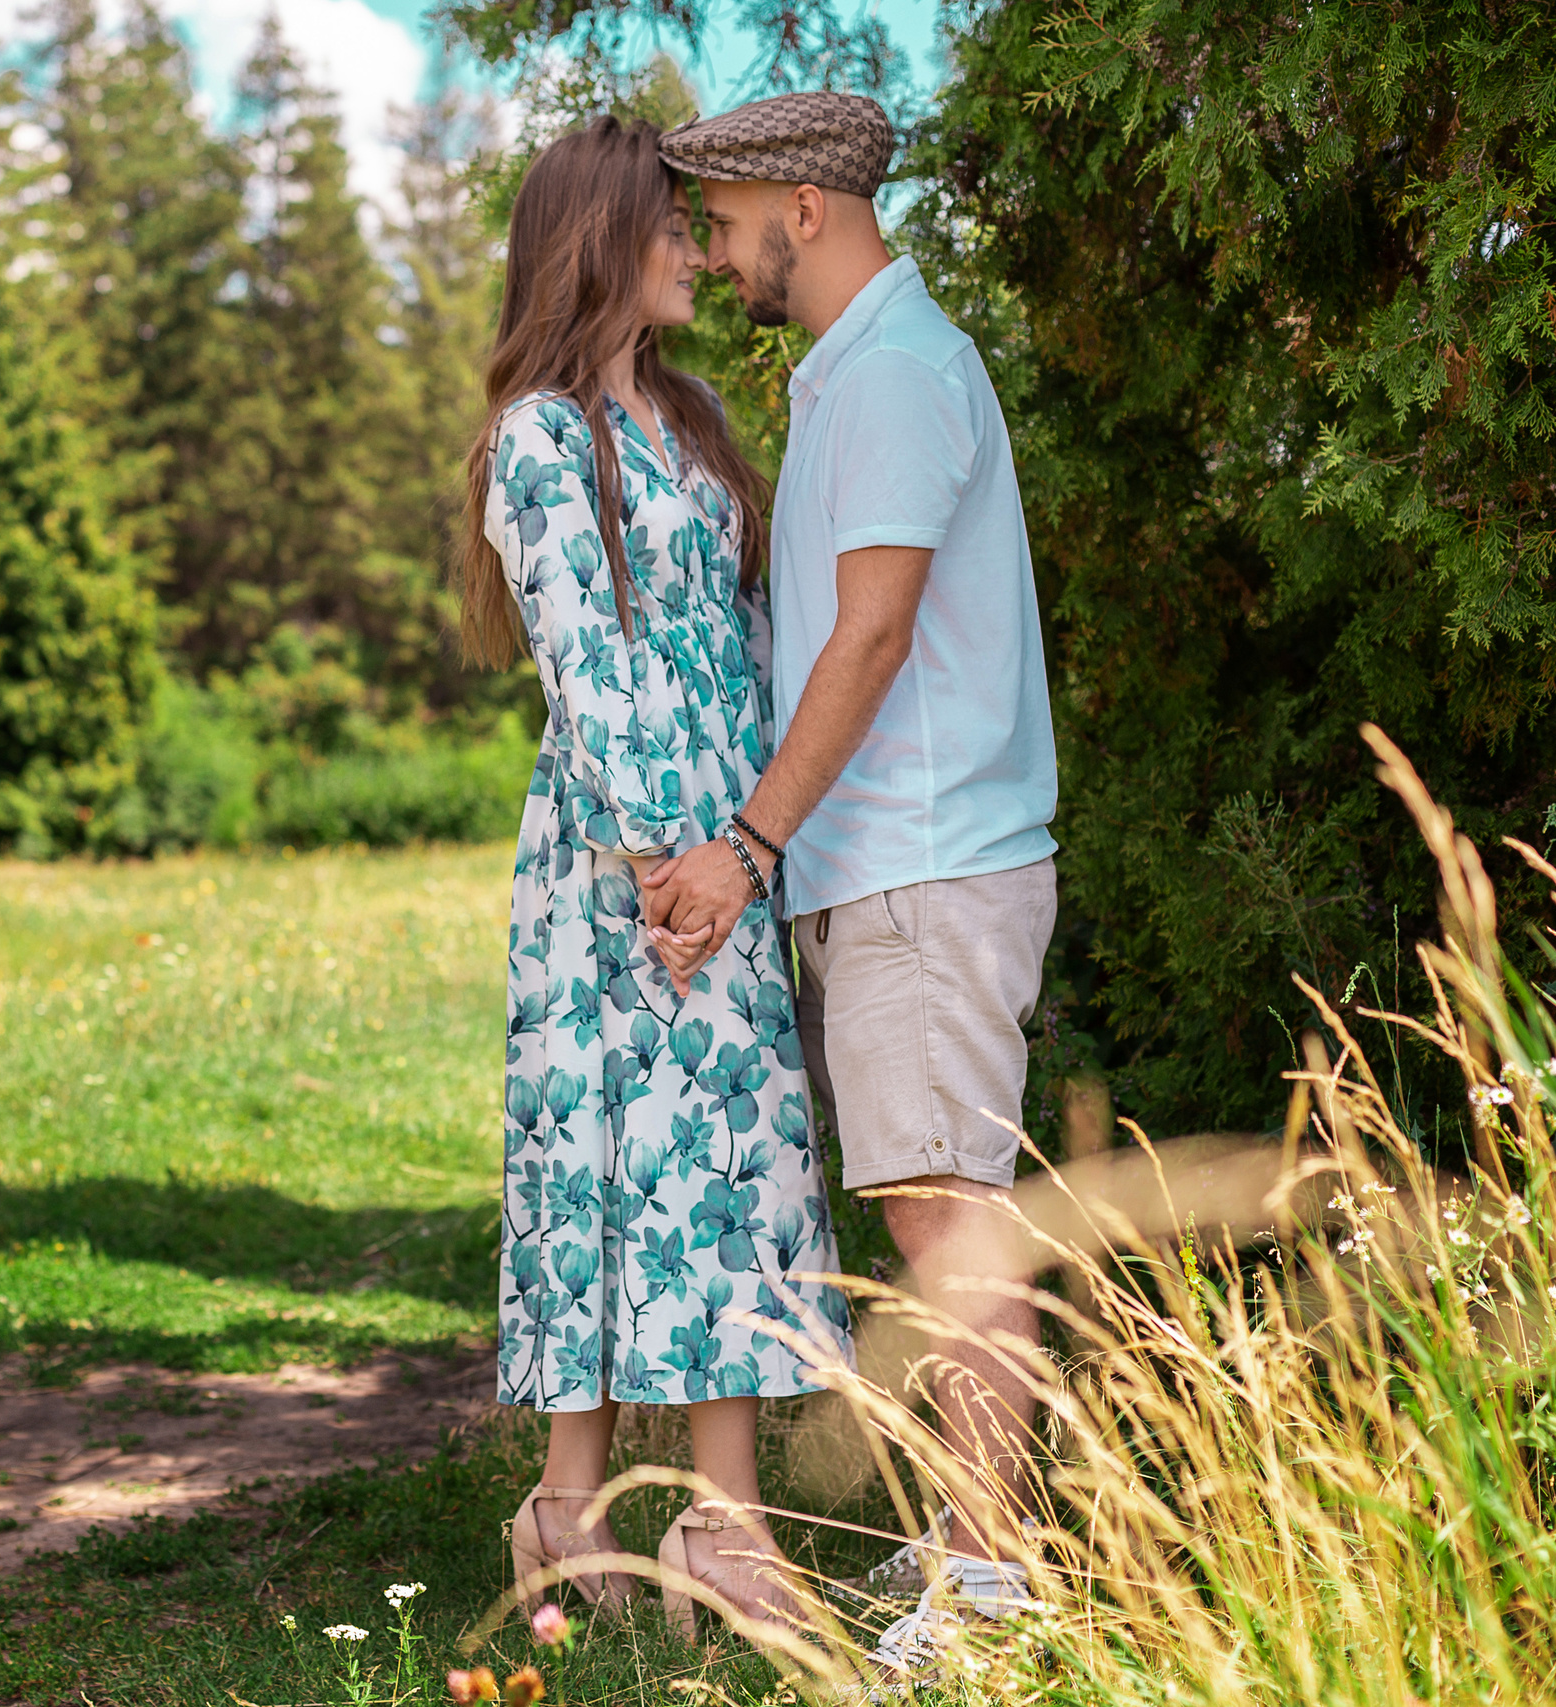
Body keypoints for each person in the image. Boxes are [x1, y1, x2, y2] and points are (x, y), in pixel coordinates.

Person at [638, 91, 1062, 1682]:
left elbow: (870, 641)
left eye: (723, 216)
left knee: (955, 1230)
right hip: (896, 880)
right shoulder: (853, 378)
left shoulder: (889, 375)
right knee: (934, 1215)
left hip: (929, 875)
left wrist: (748, 847)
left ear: (801, 212)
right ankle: (971, 1554)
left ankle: (993, 1588)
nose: (708, 247)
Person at [462, 114, 853, 1644]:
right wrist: (657, 866)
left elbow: (746, 651)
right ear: (601, 235)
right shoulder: (539, 434)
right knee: (603, 1172)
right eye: (673, 225)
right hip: (623, 867)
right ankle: (571, 1510)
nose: (700, 246)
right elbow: (587, 658)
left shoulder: (691, 423)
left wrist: (746, 851)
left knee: (732, 1167)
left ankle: (719, 1520)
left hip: (723, 861)